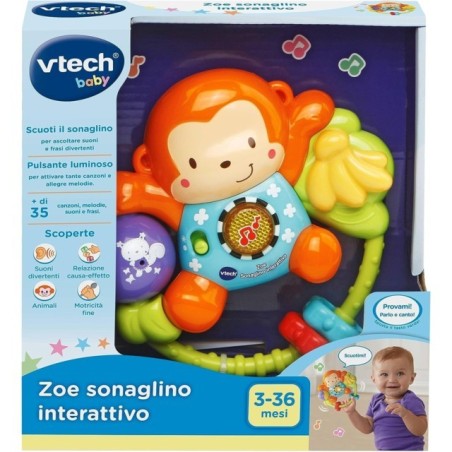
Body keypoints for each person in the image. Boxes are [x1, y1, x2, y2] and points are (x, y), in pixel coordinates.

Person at [343, 346, 427, 450]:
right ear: (374, 379)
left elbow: (421, 429)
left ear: (411, 378)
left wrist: (405, 414)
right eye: (384, 374)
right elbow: (367, 427)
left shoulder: (411, 400)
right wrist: (352, 413)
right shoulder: (376, 400)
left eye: (400, 373)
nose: (392, 379)